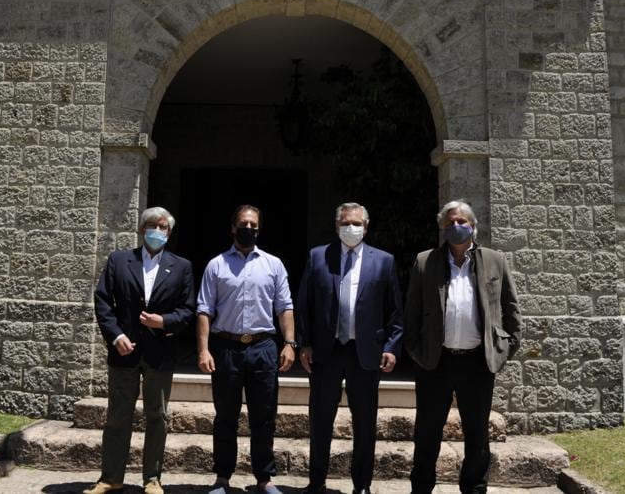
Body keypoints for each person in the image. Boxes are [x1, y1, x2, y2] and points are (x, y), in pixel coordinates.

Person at [404, 200, 521, 494]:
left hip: (477, 363)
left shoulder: (495, 260)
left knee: (477, 434)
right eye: (450, 222)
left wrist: (503, 350)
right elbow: (411, 314)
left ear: (473, 226)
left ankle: (474, 489)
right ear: (443, 228)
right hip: (436, 362)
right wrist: (417, 353)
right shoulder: (425, 262)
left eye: (462, 221)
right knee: (427, 433)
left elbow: (511, 310)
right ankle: (421, 489)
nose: (457, 226)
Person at [296, 202, 403, 494]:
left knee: (365, 423)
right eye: (345, 223)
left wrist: (392, 346)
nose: (351, 228)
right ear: (336, 226)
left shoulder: (384, 261)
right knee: (320, 420)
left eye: (356, 223)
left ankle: (362, 485)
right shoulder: (318, 257)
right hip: (326, 351)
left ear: (366, 227)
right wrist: (303, 342)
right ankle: (316, 482)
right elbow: (304, 305)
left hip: (364, 352)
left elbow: (394, 310)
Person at [88, 207, 196, 494]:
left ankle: (152, 478)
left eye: (163, 227)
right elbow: (102, 301)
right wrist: (115, 336)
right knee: (117, 416)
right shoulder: (119, 260)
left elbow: (188, 309)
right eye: (152, 225)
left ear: (169, 232)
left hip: (160, 353)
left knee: (157, 416)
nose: (157, 231)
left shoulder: (181, 266)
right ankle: (111, 477)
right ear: (141, 228)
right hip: (124, 351)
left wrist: (165, 322)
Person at [196, 205, 296, 494]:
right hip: (226, 346)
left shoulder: (273, 265)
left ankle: (264, 479)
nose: (248, 228)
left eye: (253, 224)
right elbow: (204, 310)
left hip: (263, 347)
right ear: (232, 227)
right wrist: (203, 350)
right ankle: (223, 478)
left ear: (259, 229)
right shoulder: (216, 265)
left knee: (264, 416)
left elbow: (285, 307)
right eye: (243, 223)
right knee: (225, 415)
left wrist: (289, 343)